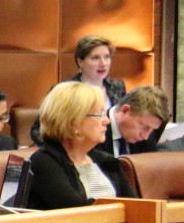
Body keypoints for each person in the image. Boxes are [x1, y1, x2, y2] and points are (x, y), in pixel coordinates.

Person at [24, 82, 131, 210]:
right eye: (99, 114)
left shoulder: (105, 161)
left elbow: (135, 205)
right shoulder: (44, 162)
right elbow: (76, 211)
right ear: (74, 122)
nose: (106, 121)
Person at [99, 85, 169, 157]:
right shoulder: (94, 132)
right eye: (144, 127)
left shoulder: (146, 139)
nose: (145, 136)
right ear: (125, 111)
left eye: (152, 129)